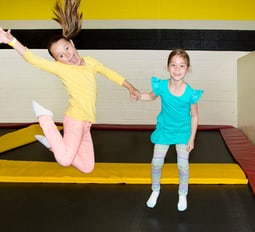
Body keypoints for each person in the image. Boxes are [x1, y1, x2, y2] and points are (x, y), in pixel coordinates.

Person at [0, 0, 140, 173]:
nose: (67, 55)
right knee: (65, 160)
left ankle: (53, 144)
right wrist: (11, 41)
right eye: (61, 55)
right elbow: (33, 59)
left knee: (88, 167)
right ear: (57, 61)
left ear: (72, 44)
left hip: (86, 124)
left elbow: (110, 73)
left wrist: (130, 87)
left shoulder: (90, 62)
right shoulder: (63, 69)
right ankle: (45, 118)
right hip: (74, 120)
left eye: (67, 48)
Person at [138, 49, 203, 211]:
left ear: (187, 69)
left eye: (182, 66)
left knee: (183, 165)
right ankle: (155, 190)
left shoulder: (190, 94)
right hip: (164, 130)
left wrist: (192, 138)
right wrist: (138, 96)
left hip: (183, 132)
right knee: (156, 163)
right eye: (173, 65)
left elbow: (194, 116)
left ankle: (182, 194)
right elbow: (150, 96)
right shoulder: (161, 86)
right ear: (168, 67)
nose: (177, 69)